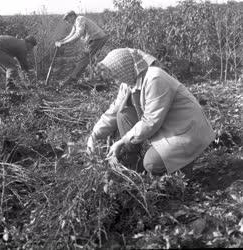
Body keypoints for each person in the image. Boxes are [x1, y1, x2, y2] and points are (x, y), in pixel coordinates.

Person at [86, 48, 216, 176]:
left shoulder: (155, 78)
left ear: (123, 69)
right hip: (167, 126)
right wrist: (94, 136)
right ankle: (134, 164)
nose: (115, 80)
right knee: (123, 114)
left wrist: (121, 142)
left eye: (115, 75)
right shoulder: (128, 83)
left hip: (186, 130)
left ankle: (184, 168)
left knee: (151, 164)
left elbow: (150, 122)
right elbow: (113, 112)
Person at [55, 10, 108, 86]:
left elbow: (78, 34)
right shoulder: (75, 24)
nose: (67, 21)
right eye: (66, 20)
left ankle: (73, 78)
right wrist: (61, 41)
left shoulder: (79, 19)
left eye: (67, 19)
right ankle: (92, 78)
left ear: (73, 16)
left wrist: (64, 43)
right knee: (90, 59)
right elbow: (71, 35)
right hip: (95, 39)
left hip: (98, 39)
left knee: (85, 58)